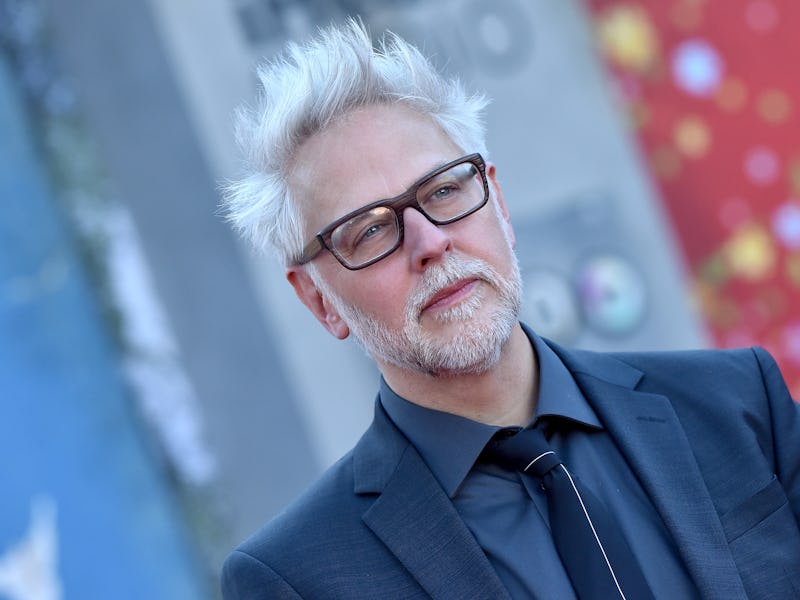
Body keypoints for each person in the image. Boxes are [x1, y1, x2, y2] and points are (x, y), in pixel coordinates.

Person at [219, 19, 800, 599]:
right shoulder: (297, 578)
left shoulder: (737, 402)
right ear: (320, 300)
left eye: (443, 191)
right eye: (369, 230)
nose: (430, 241)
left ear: (496, 200)